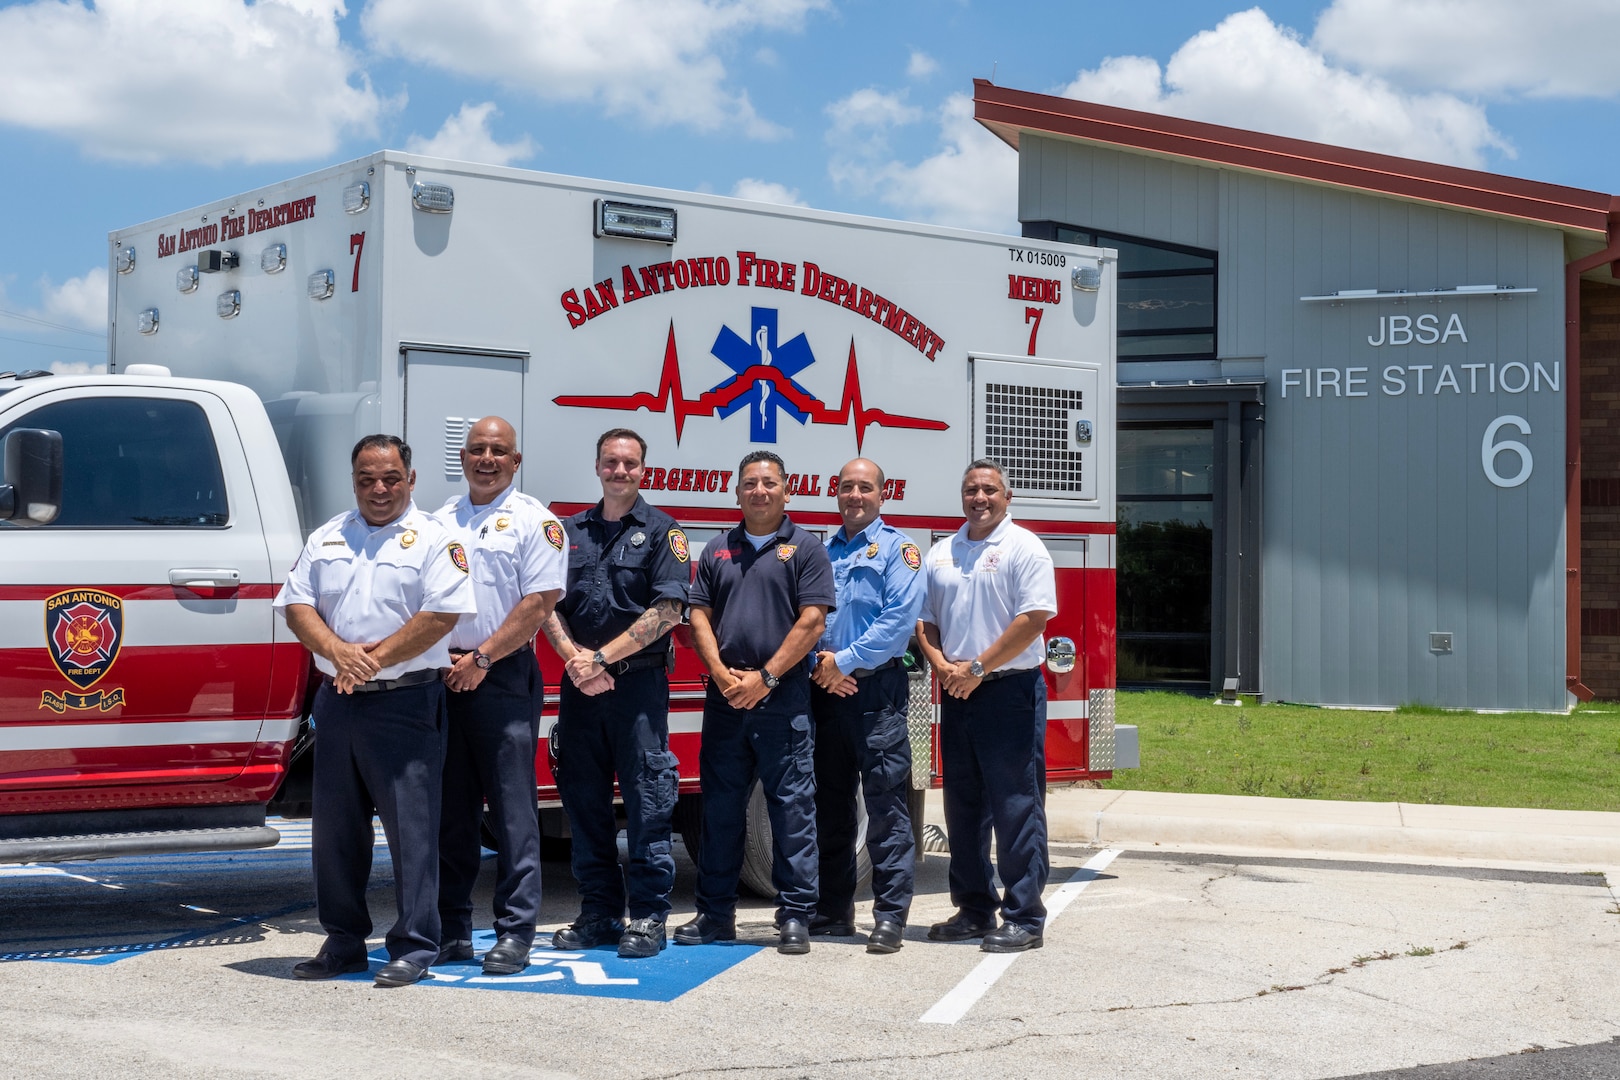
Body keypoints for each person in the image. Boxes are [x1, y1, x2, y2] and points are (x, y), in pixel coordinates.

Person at [276, 434, 475, 988]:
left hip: (406, 702)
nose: (379, 489)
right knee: (335, 833)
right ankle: (343, 942)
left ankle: (414, 944)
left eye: (390, 478)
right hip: (338, 705)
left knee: (413, 832)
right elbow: (296, 605)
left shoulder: (438, 539)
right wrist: (339, 653)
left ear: (411, 480)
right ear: (354, 480)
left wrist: (370, 660)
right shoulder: (328, 536)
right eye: (367, 479)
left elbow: (442, 615)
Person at [674, 450, 835, 955]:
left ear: (786, 490)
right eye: (750, 483)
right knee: (719, 812)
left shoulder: (806, 549)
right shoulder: (718, 548)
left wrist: (765, 677)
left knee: (791, 811)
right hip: (725, 699)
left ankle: (794, 917)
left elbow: (812, 622)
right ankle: (714, 916)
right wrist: (722, 675)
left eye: (769, 483)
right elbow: (696, 613)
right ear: (737, 491)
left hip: (782, 698)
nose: (759, 491)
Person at [540, 428, 688, 959]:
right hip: (580, 688)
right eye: (610, 462)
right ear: (597, 466)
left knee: (649, 801)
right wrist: (576, 662)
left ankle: (648, 917)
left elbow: (668, 611)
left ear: (644, 470)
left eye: (629, 463)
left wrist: (601, 659)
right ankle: (599, 913)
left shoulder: (664, 532)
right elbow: (545, 602)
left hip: (637, 690)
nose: (619, 471)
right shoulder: (567, 532)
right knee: (585, 804)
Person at [431, 417, 565, 977]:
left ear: (516, 461)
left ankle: (514, 933)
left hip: (502, 675)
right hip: (442, 677)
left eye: (498, 451)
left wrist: (482, 658)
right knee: (450, 813)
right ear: (463, 458)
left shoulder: (537, 521)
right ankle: (452, 929)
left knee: (512, 814)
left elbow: (540, 601)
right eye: (477, 450)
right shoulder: (437, 521)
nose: (486, 458)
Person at [915, 458, 1057, 954]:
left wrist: (975, 668)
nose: (979, 498)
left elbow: (1034, 619)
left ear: (1007, 497)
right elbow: (925, 621)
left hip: (1007, 692)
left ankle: (1024, 916)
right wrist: (941, 665)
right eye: (971, 490)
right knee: (963, 806)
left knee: (1016, 805)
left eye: (989, 490)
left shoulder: (1025, 548)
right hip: (956, 692)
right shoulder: (941, 553)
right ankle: (974, 908)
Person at [808, 458, 926, 955]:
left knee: (884, 806)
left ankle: (890, 916)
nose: (855, 495)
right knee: (830, 806)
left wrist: (846, 663)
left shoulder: (900, 550)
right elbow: (807, 615)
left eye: (865, 487)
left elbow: (898, 621)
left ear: (882, 495)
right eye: (846, 487)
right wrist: (821, 666)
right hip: (826, 692)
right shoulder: (820, 549)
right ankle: (835, 910)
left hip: (876, 693)